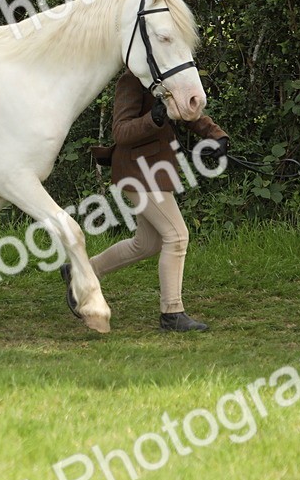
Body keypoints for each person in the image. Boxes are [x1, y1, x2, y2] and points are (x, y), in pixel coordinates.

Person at [61, 72, 228, 332]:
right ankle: (172, 313)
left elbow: (187, 108)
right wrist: (154, 118)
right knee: (177, 236)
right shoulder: (131, 81)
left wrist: (215, 135)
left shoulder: (167, 77)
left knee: (147, 244)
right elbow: (121, 131)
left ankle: (81, 271)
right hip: (137, 171)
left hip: (158, 170)